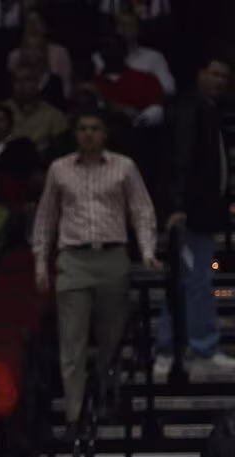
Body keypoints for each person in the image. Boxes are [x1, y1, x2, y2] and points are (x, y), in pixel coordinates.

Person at [32, 110, 158, 430]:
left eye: (95, 128)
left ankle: (105, 398)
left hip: (112, 255)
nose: (89, 134)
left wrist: (146, 251)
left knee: (111, 339)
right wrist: (40, 263)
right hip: (72, 259)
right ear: (76, 134)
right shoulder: (59, 169)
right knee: (71, 341)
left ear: (105, 133)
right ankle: (74, 414)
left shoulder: (124, 166)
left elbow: (141, 209)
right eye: (83, 128)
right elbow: (46, 217)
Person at [156, 55, 233, 377]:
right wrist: (177, 205)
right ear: (200, 73)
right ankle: (197, 346)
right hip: (190, 213)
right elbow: (181, 157)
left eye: (224, 77)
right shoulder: (192, 107)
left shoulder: (207, 109)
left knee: (189, 279)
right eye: (214, 74)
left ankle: (174, 347)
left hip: (202, 211)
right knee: (194, 280)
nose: (219, 81)